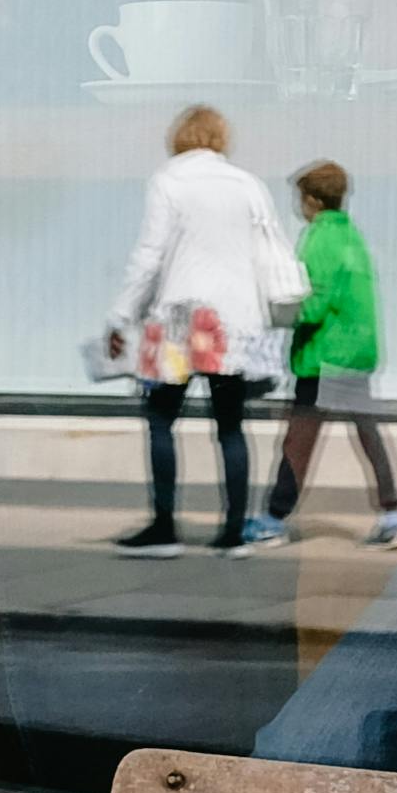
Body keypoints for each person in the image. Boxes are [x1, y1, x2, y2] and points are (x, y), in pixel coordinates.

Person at [106, 102, 297, 550]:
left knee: (160, 419)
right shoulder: (247, 184)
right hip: (233, 320)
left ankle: (164, 527)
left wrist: (121, 314)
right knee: (230, 425)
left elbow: (150, 254)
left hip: (179, 315)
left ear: (179, 137)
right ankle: (233, 531)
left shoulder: (169, 180)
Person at [264, 159, 397, 542]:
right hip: (356, 351)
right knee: (367, 432)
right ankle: (393, 514)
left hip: (323, 356)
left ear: (311, 200)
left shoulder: (318, 237)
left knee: (298, 440)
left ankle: (274, 519)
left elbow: (314, 301)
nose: (297, 206)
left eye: (299, 198)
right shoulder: (353, 237)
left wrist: (277, 314)